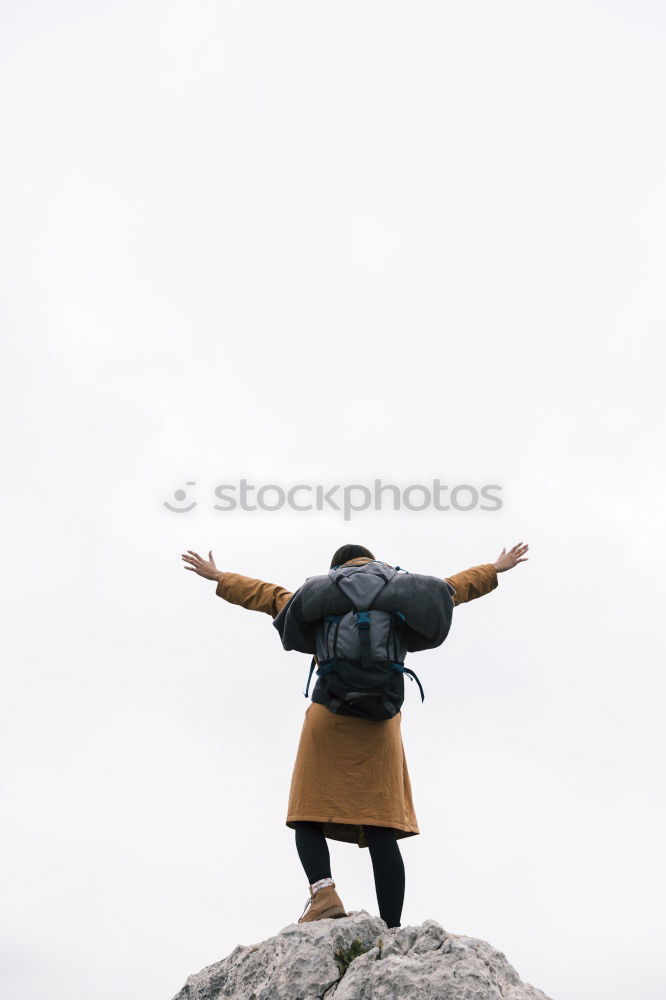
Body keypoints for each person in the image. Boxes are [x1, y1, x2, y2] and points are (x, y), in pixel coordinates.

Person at [181, 541, 529, 929]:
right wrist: (494, 568)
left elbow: (267, 596)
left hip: (327, 716)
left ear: (336, 569)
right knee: (382, 827)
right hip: (381, 723)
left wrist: (220, 578)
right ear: (371, 561)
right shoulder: (399, 593)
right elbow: (452, 589)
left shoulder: (322, 599)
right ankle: (392, 929)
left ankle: (324, 894)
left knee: (307, 814)